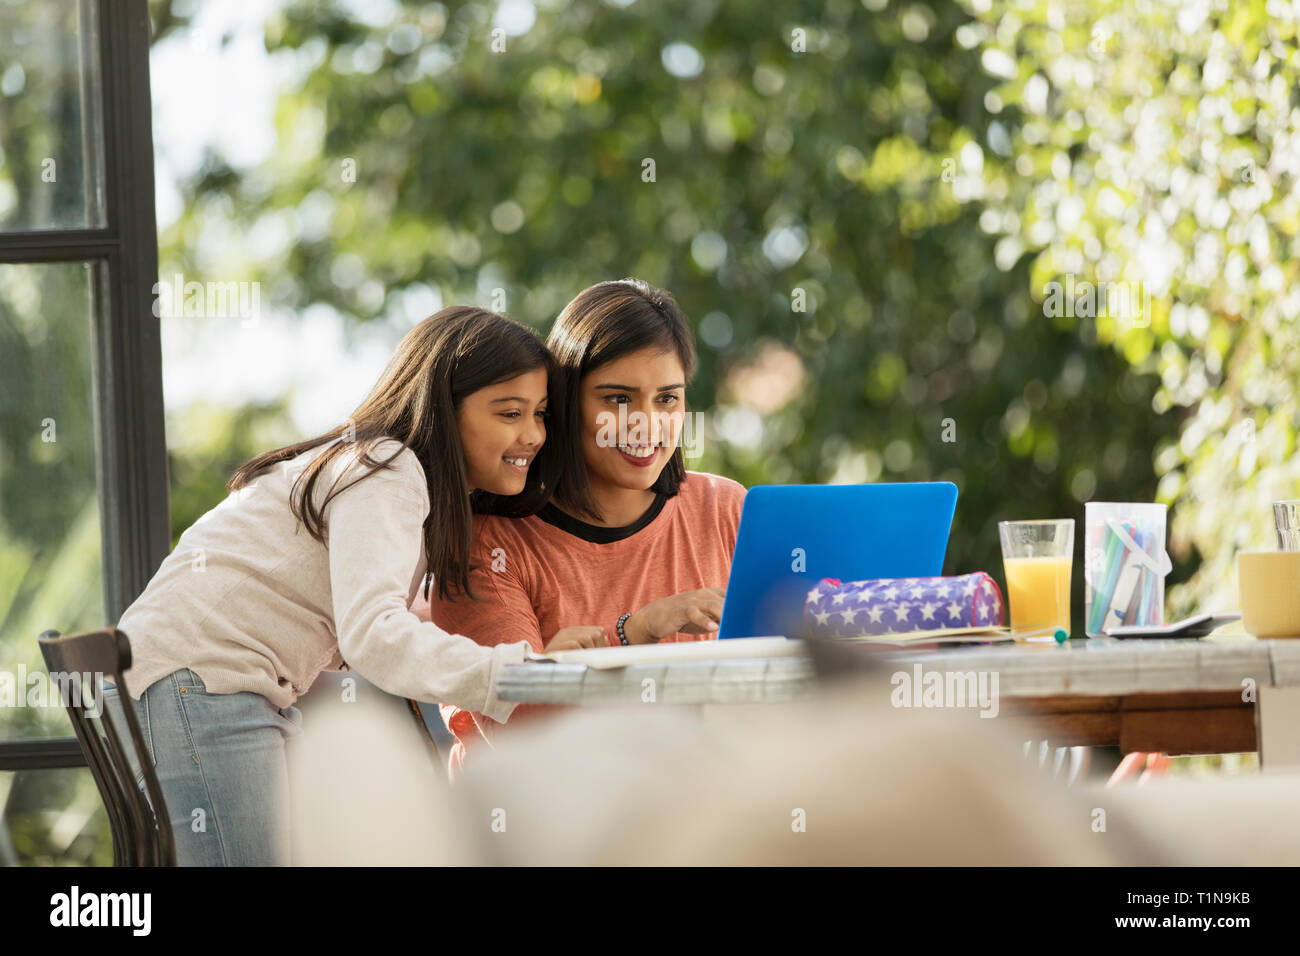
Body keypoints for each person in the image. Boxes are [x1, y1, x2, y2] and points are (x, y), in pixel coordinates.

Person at [100, 306, 581, 865]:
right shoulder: (389, 468)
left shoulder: (371, 466)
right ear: (445, 411)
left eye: (541, 414)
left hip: (186, 684)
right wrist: (513, 673)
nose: (533, 435)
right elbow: (373, 635)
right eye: (510, 412)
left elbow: (369, 622)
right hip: (198, 686)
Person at [413, 280, 746, 773]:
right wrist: (635, 632)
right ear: (565, 405)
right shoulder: (486, 541)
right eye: (617, 399)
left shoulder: (724, 506)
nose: (646, 424)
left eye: (668, 399)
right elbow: (523, 725)